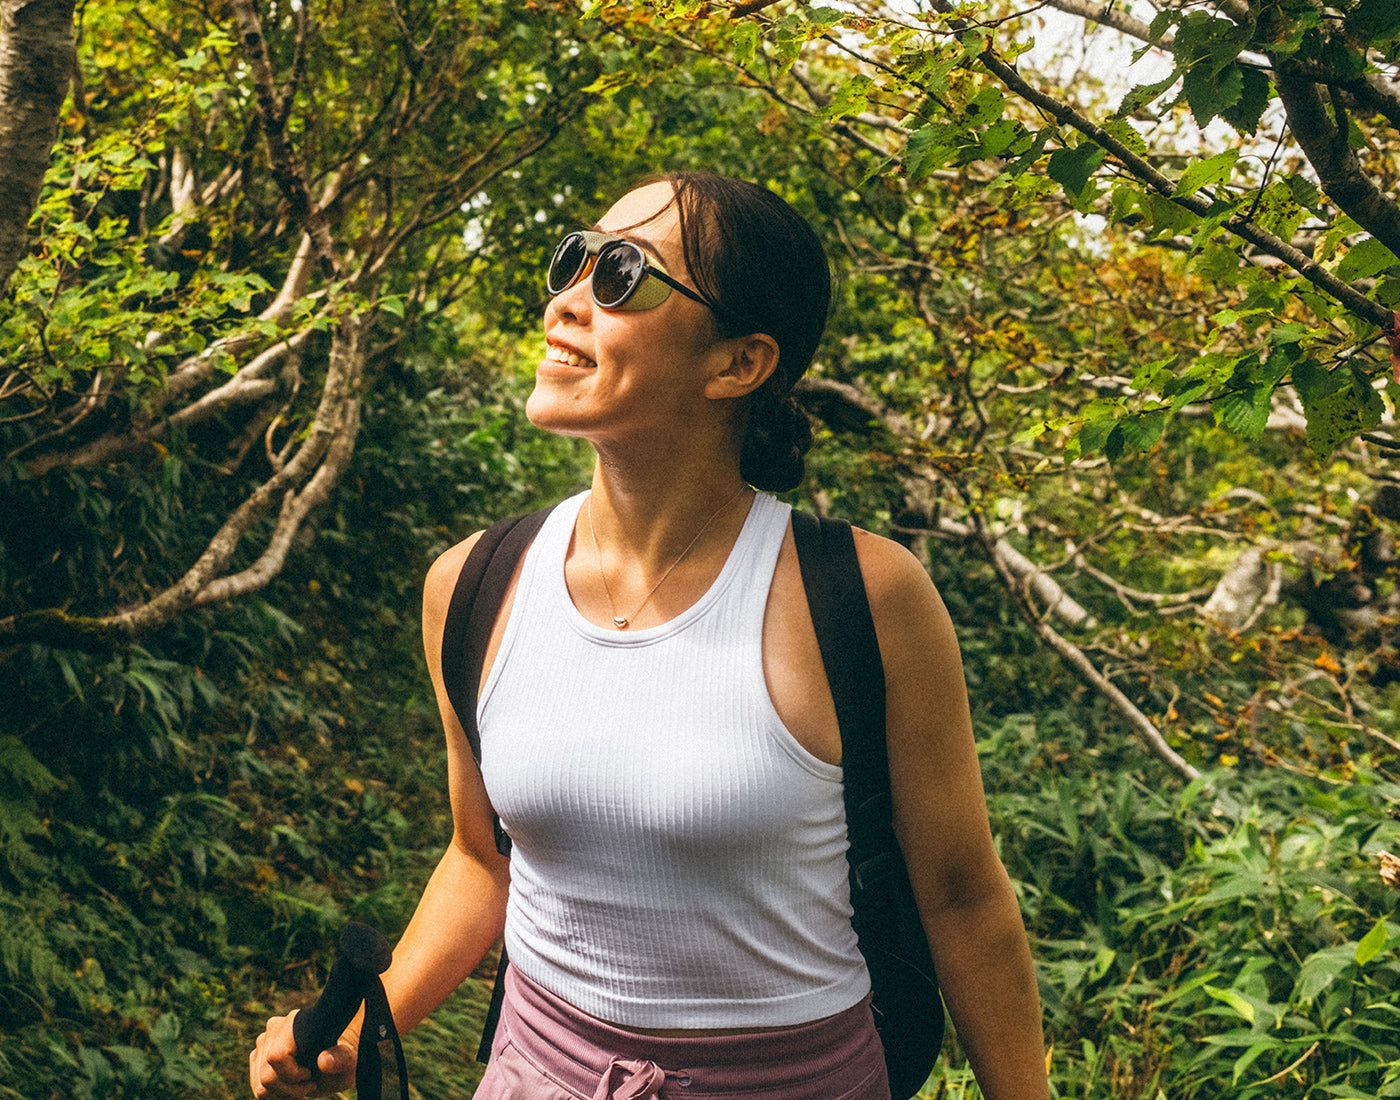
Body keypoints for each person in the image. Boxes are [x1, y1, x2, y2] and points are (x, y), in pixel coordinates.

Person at [248, 172, 1049, 1100]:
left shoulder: (863, 596)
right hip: (536, 1075)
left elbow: (961, 898)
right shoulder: (472, 584)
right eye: (574, 260)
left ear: (739, 363)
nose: (569, 297)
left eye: (624, 274)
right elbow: (480, 860)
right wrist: (362, 1021)